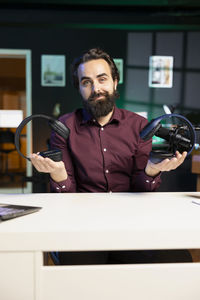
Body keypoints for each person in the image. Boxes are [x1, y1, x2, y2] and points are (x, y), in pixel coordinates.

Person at [30, 48, 191, 264]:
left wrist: (152, 171)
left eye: (102, 79)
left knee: (178, 260)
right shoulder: (64, 127)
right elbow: (65, 197)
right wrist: (59, 174)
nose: (96, 88)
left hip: (132, 222)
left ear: (115, 82)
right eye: (86, 82)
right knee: (77, 272)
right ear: (79, 88)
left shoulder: (139, 126)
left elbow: (141, 189)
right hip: (82, 224)